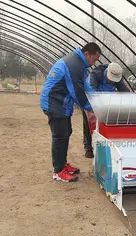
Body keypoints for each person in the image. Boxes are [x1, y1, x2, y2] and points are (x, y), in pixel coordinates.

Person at [40, 43, 101, 182]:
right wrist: (90, 107)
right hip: (54, 102)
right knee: (60, 136)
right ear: (87, 54)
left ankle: (62, 163)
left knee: (66, 132)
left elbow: (85, 85)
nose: (94, 63)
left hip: (62, 103)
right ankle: (58, 171)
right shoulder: (74, 64)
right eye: (94, 59)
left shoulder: (80, 65)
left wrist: (97, 98)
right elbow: (76, 91)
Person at [83, 62, 129, 158]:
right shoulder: (96, 75)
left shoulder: (117, 77)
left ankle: (106, 145)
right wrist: (96, 106)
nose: (112, 82)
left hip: (106, 100)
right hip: (89, 98)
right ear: (107, 72)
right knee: (89, 123)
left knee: (106, 122)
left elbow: (125, 92)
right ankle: (88, 148)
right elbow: (92, 92)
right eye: (110, 79)